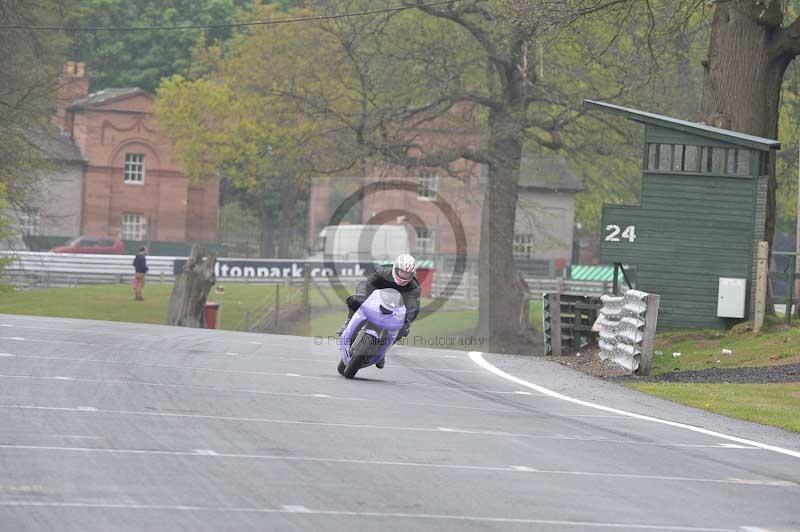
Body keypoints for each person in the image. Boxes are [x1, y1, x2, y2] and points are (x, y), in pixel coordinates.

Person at [337, 254, 420, 369]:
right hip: (375, 302)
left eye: (407, 274)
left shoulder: (414, 287)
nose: (404, 276)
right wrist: (362, 296)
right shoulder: (382, 272)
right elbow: (366, 284)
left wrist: (407, 320)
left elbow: (413, 306)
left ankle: (382, 351)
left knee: (403, 330)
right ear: (395, 268)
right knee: (354, 300)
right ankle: (348, 322)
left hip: (394, 311)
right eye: (401, 272)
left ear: (412, 274)